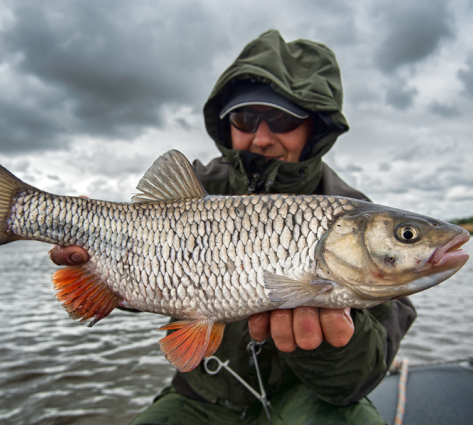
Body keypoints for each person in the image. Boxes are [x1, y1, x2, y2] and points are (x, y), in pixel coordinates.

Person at [50, 30, 416, 424]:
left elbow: (365, 369)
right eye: (244, 118)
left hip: (308, 396)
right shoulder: (201, 184)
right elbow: (155, 278)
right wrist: (104, 273)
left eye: (281, 119)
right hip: (204, 391)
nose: (261, 137)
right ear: (227, 125)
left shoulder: (350, 209)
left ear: (315, 125)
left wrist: (334, 342)